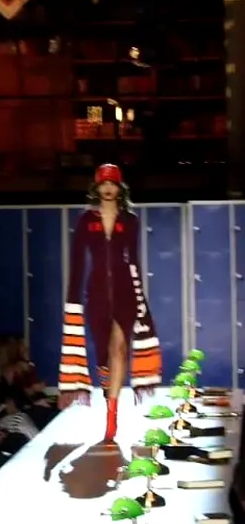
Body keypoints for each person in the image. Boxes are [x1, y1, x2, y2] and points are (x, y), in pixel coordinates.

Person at [58, 164, 161, 441]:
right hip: (97, 295)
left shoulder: (130, 220)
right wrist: (73, 300)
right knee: (104, 354)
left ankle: (112, 417)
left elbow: (134, 259)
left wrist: (141, 299)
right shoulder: (85, 220)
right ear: (96, 187)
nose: (107, 188)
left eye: (112, 184)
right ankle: (108, 390)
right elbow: (77, 262)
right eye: (103, 183)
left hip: (126, 292)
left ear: (119, 188)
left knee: (119, 349)